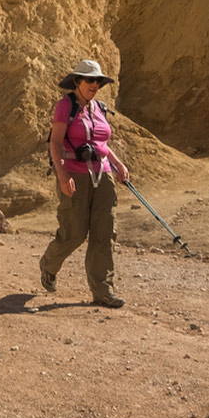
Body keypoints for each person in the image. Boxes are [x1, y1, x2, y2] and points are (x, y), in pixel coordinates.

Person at [39, 59, 129, 309]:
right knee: (75, 233)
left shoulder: (99, 107)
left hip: (103, 174)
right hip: (74, 174)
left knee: (104, 232)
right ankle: (48, 264)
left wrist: (118, 164)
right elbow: (55, 143)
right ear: (77, 81)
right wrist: (62, 175)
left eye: (98, 81)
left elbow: (102, 144)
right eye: (90, 80)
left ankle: (103, 291)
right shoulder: (65, 106)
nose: (95, 85)